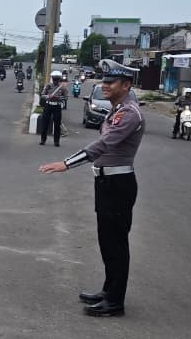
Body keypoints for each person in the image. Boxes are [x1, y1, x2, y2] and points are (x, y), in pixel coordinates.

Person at [39, 59, 144, 317]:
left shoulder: (129, 113)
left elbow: (103, 145)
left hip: (118, 184)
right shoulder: (118, 109)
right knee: (107, 243)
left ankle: (115, 301)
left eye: (110, 82)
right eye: (104, 81)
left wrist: (67, 163)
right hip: (107, 182)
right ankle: (108, 291)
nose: (104, 85)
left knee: (116, 244)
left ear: (126, 85)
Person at [38, 70, 68, 147]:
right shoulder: (48, 86)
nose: (55, 80)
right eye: (54, 79)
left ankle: (56, 142)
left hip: (57, 106)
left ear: (59, 79)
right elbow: (42, 95)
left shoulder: (62, 88)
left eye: (57, 79)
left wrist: (58, 97)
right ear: (52, 78)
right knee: (45, 123)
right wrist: (48, 96)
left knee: (57, 125)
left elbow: (65, 97)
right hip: (48, 105)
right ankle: (43, 140)